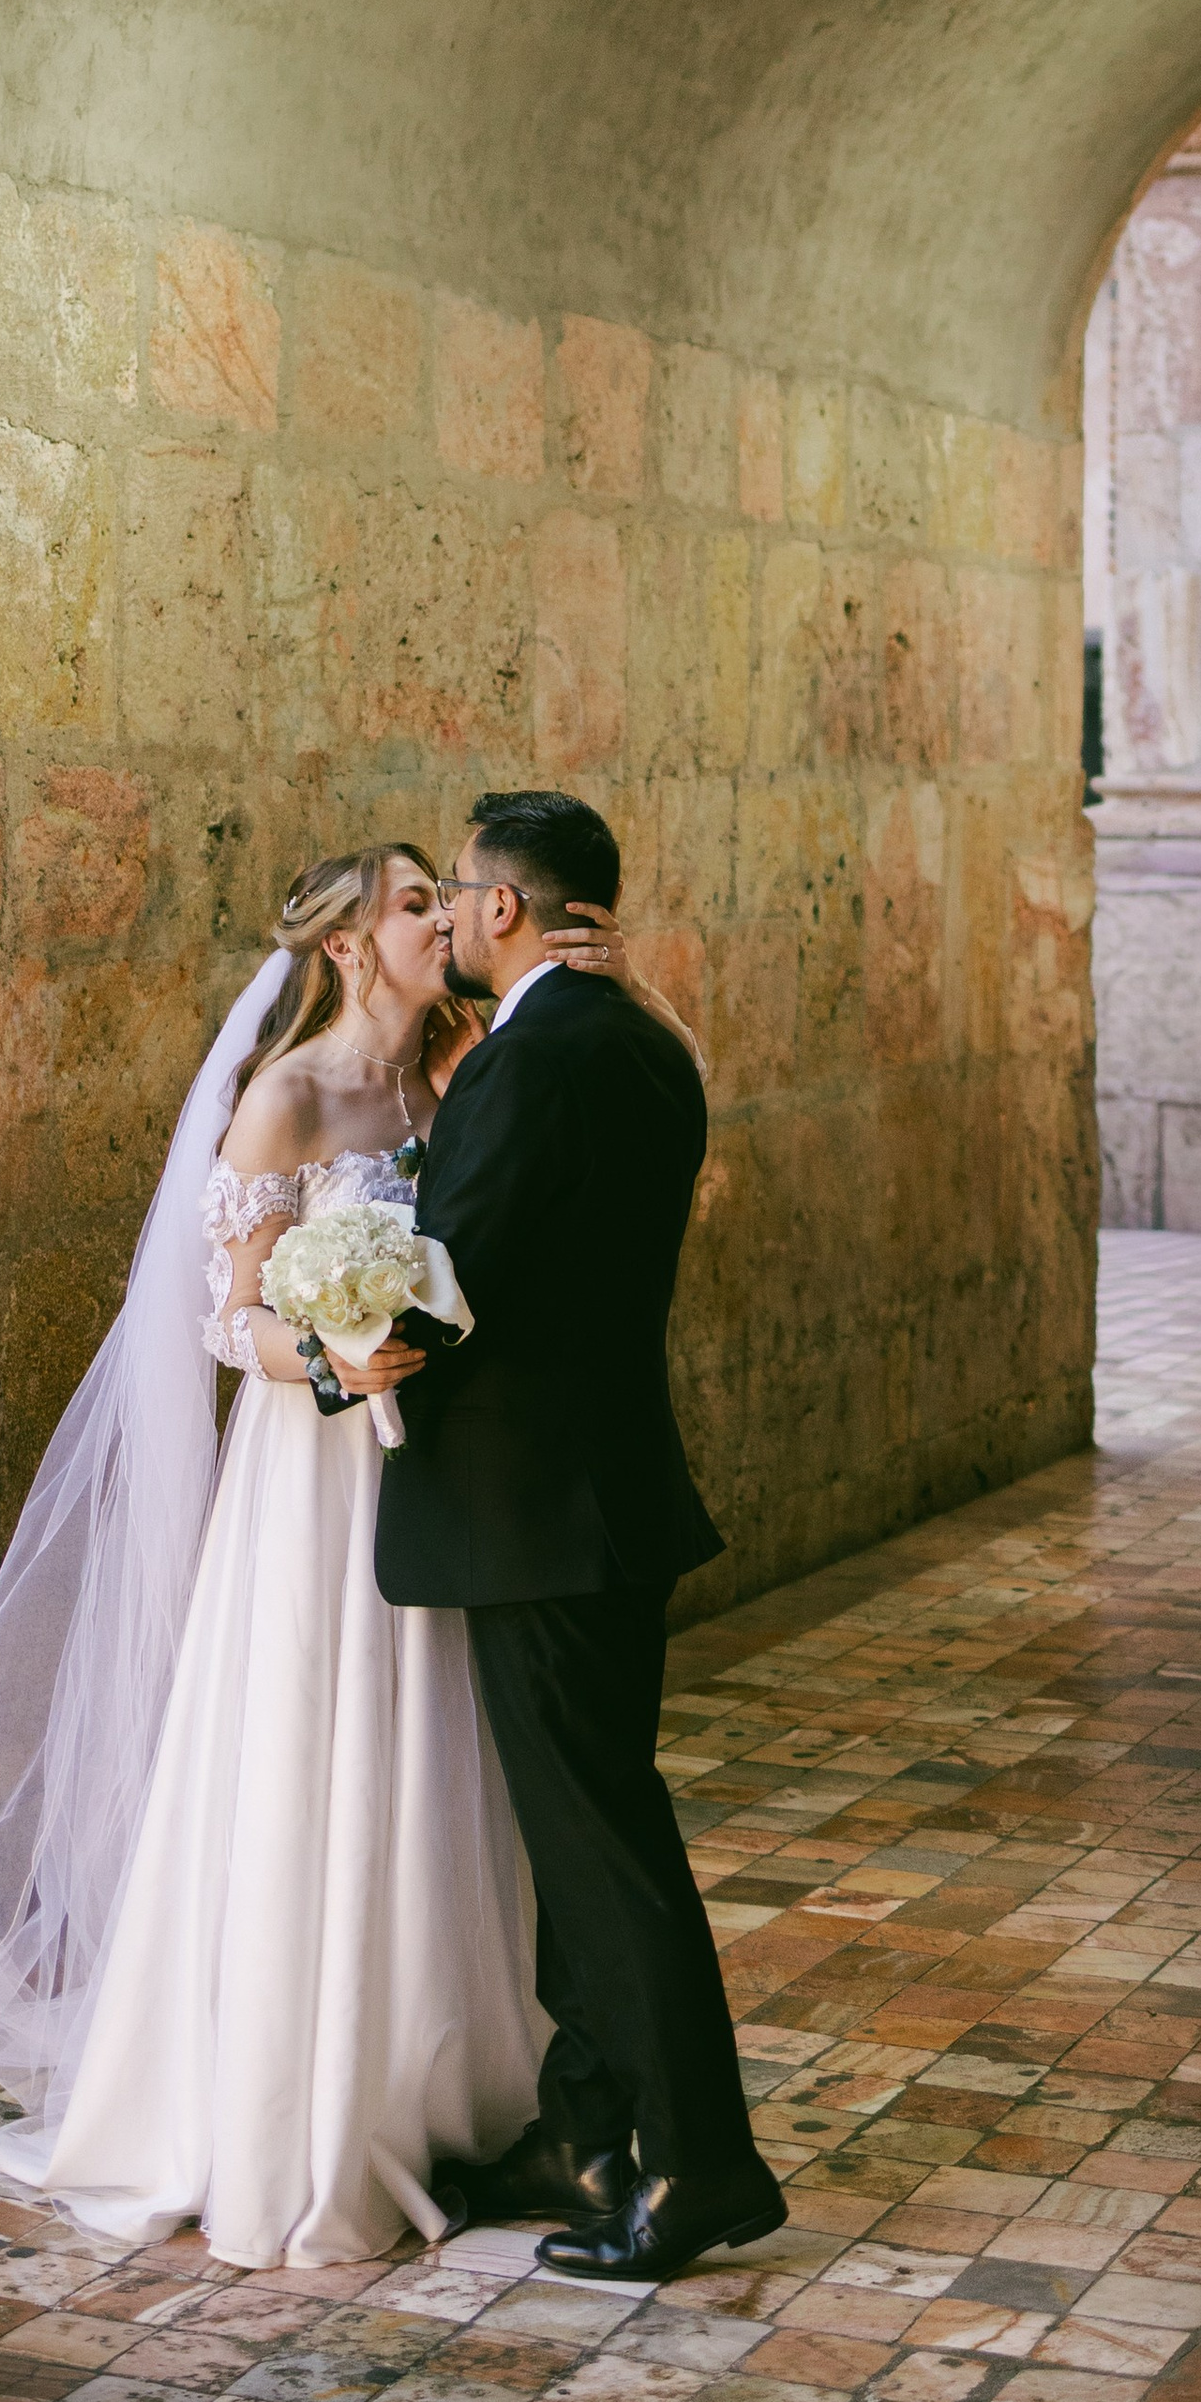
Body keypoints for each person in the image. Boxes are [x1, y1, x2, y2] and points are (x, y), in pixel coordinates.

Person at [0, 840, 677, 2271]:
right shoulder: (286, 1097)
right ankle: (298, 2110)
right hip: (313, 1482)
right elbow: (226, 1320)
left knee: (434, 1765)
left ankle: (445, 2081)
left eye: (444, 896)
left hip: (442, 1485)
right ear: (347, 945)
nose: (440, 917)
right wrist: (332, 1353)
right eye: (411, 904)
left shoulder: (462, 1070)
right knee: (305, 1761)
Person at [379, 788, 787, 2286]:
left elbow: (447, 1280)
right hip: (605, 1502)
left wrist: (322, 1343)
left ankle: (699, 2166)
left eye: (462, 898)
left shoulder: (535, 1062)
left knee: (607, 1855)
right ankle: (591, 2134)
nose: (452, 924)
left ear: (503, 906)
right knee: (586, 1836)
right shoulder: (644, 1046)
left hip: (535, 1518)